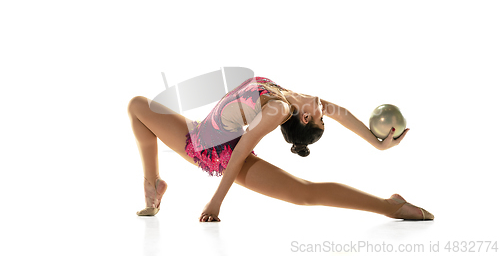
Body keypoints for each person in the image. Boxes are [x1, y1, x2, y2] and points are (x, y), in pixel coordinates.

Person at [127, 76, 434, 222]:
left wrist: (215, 203)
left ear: (304, 118)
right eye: (323, 117)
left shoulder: (278, 110)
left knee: (304, 192)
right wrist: (377, 144)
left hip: (215, 153)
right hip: (197, 131)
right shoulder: (297, 98)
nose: (325, 112)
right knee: (137, 105)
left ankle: (391, 206)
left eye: (320, 118)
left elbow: (241, 150)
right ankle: (153, 184)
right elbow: (341, 112)